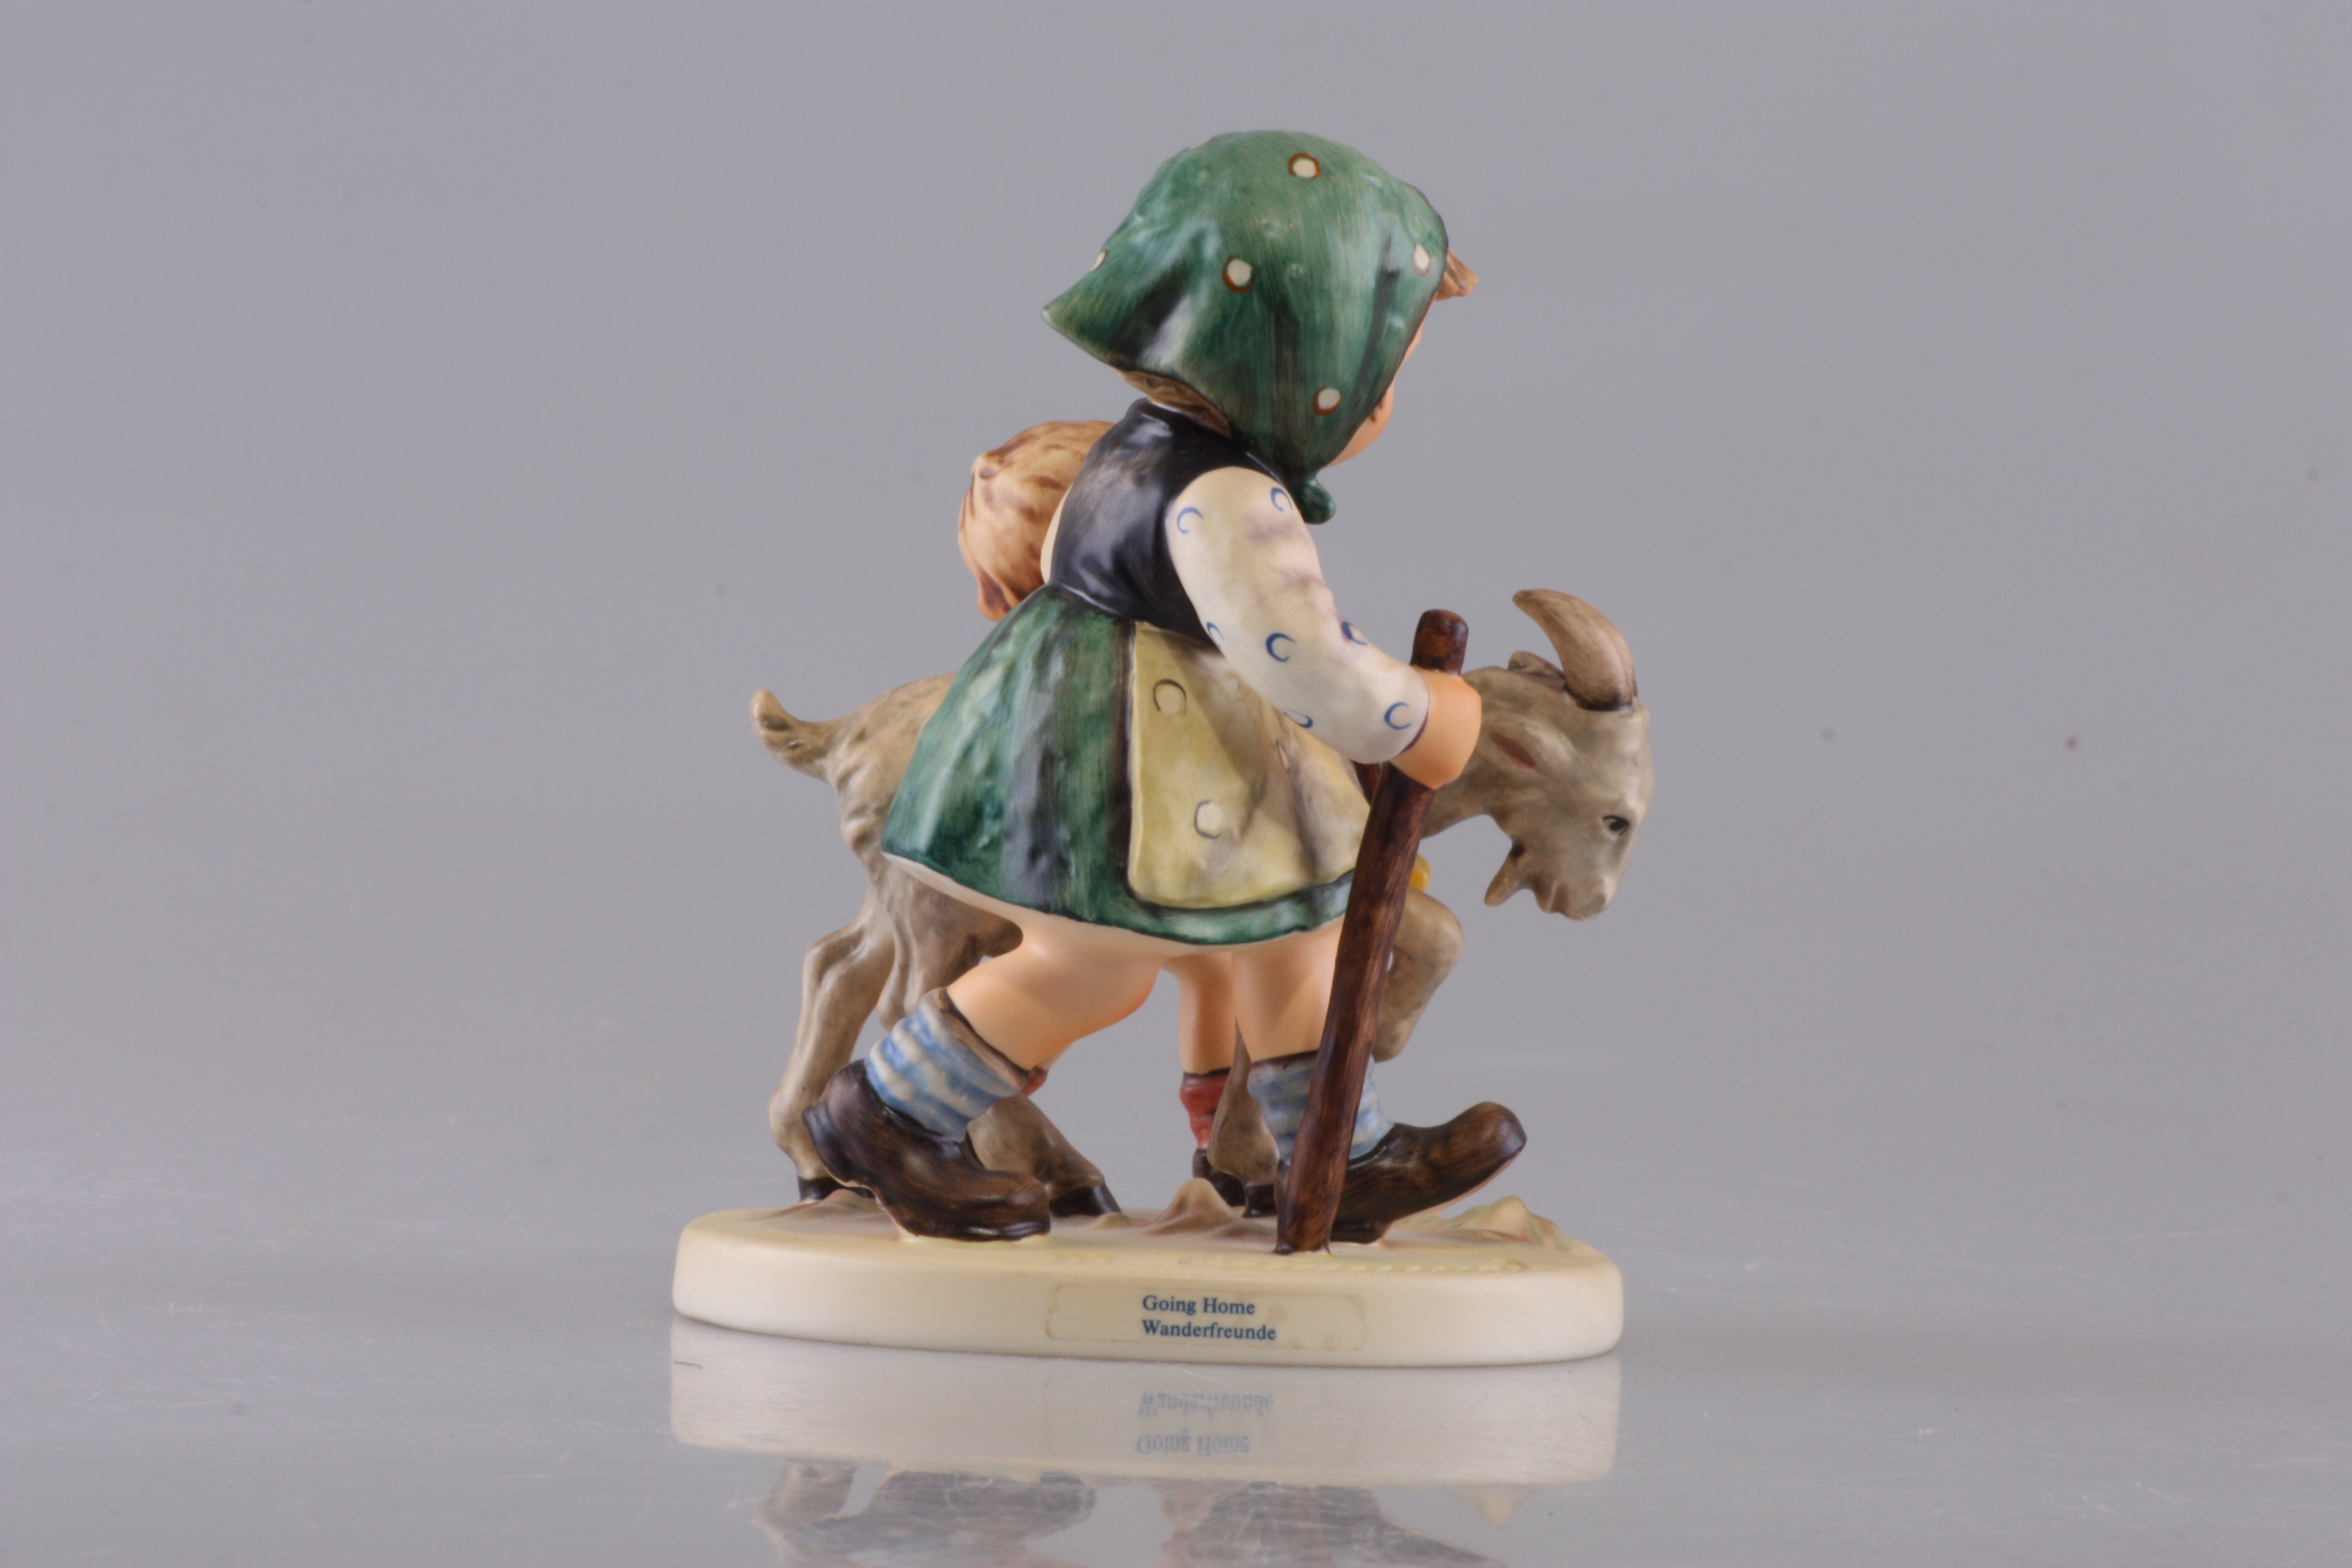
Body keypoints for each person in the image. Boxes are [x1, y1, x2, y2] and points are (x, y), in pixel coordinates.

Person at [804, 132, 1523, 1242]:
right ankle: (887, 1112)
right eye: (1381, 371)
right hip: (1121, 775)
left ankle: (1336, 1144)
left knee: (1294, 943)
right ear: (1301, 362)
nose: (1386, 400)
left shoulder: (1139, 454)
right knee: (1093, 972)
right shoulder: (1226, 499)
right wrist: (1426, 717)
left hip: (1164, 746)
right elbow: (1307, 662)